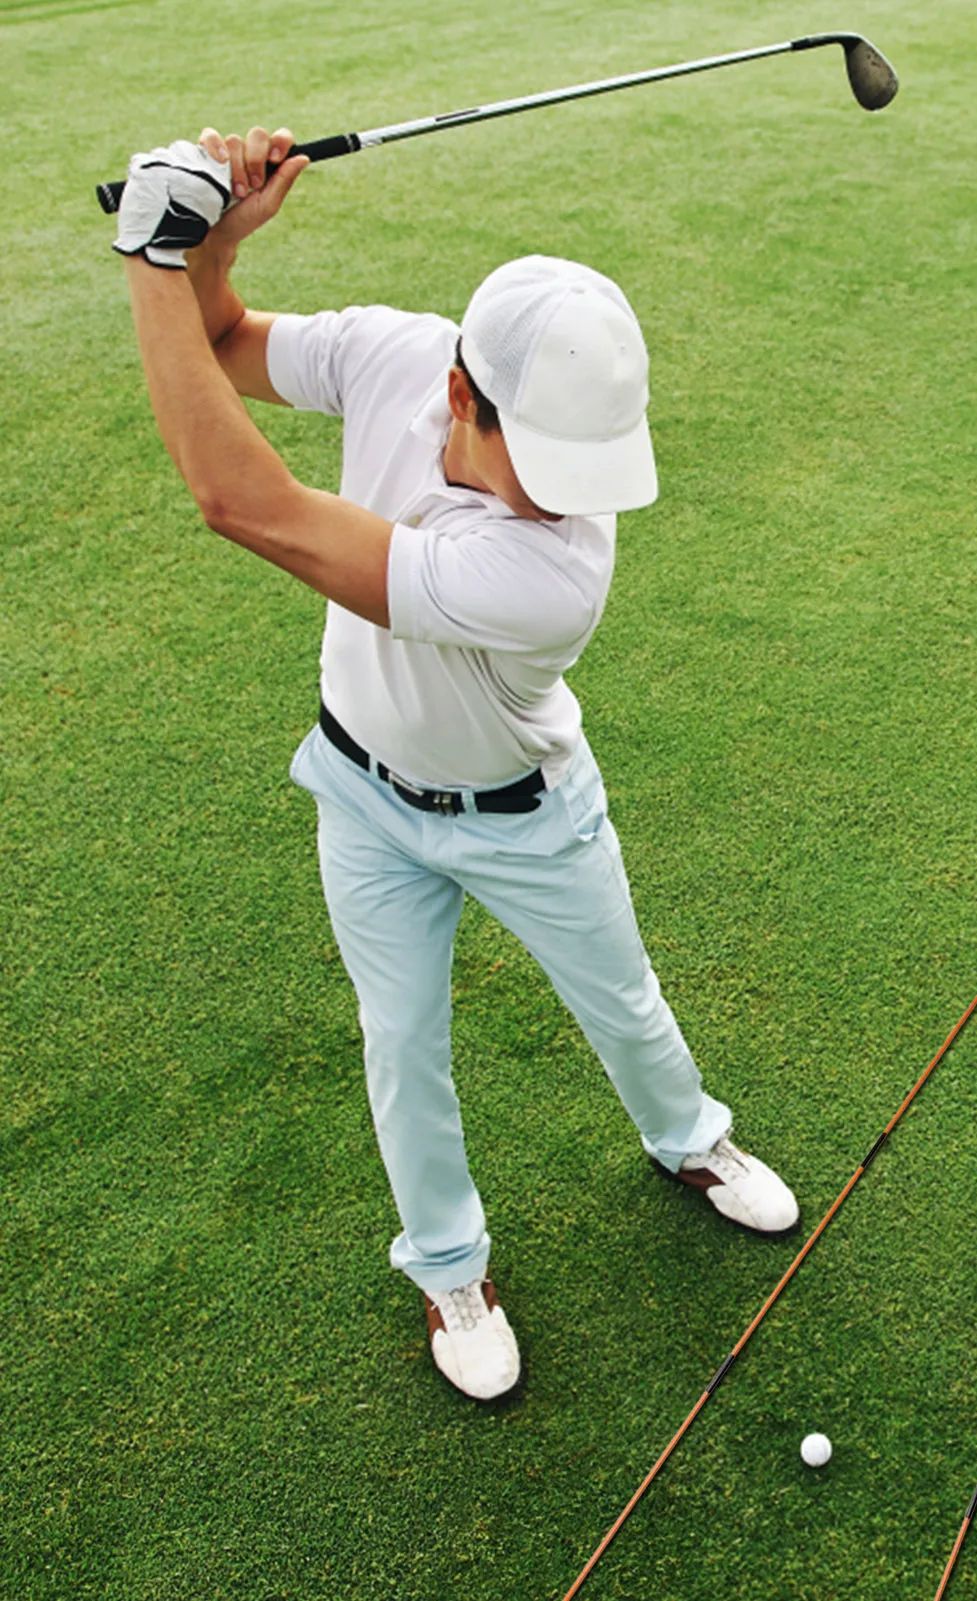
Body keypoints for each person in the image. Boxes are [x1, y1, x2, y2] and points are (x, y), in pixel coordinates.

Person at [114, 125, 799, 1402]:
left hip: (527, 815)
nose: (573, 493)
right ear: (461, 393)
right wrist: (210, 253)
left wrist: (156, 255)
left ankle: (689, 1139)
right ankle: (449, 1267)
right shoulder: (393, 351)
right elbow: (224, 341)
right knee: (403, 1043)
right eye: (550, 459)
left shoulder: (553, 571)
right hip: (363, 797)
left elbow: (242, 503)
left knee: (625, 1002)